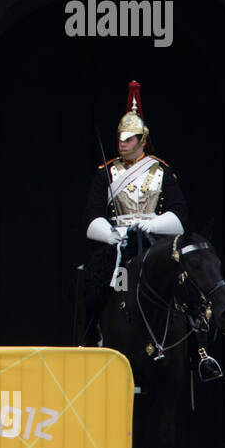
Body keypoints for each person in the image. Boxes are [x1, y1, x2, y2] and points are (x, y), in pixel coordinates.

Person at [80, 81, 189, 345]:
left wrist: (152, 226)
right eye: (120, 138)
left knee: (188, 288)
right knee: (95, 286)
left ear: (143, 141)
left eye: (128, 138)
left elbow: (179, 211)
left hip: (154, 239)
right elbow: (92, 212)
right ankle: (90, 335)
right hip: (119, 243)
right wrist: (109, 234)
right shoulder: (105, 172)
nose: (122, 143)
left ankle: (199, 353)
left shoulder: (161, 170)